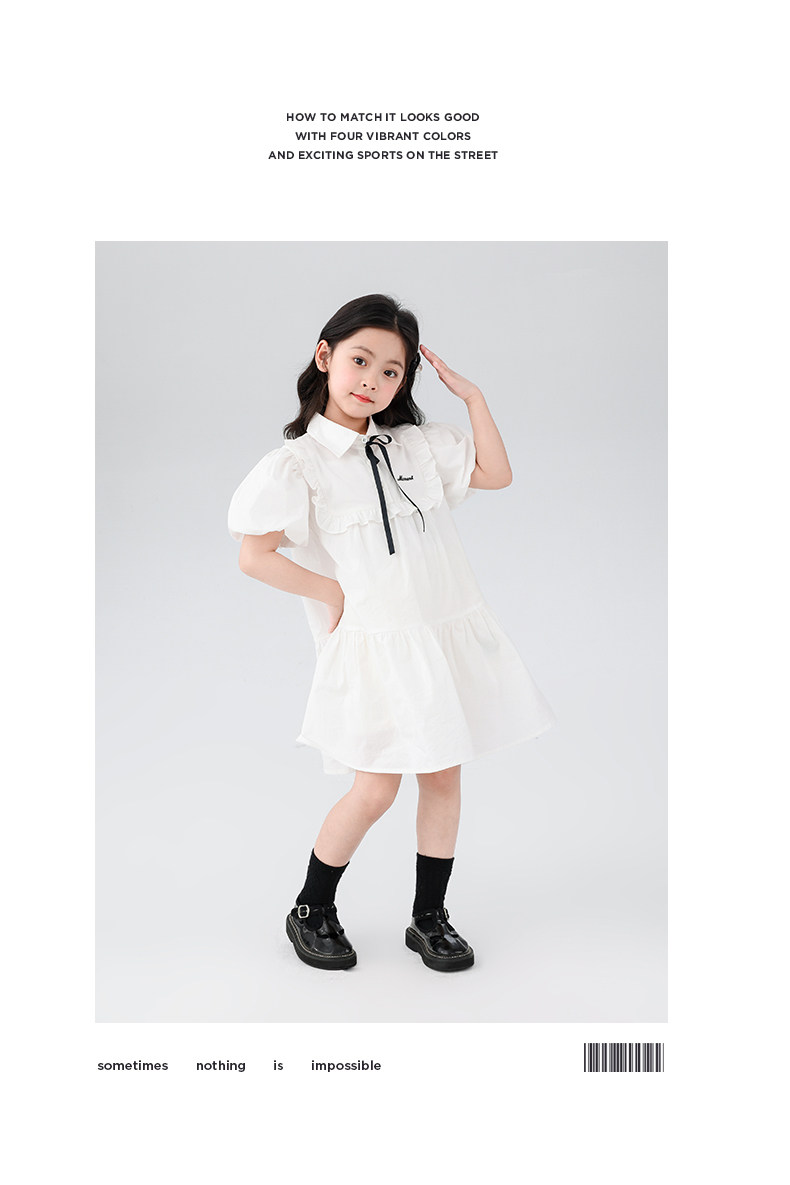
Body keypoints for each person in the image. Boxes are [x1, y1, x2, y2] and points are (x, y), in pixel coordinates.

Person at [228, 293, 556, 973]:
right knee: (375, 789)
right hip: (378, 649)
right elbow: (253, 554)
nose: (371, 380)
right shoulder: (301, 465)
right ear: (325, 356)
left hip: (437, 638)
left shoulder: (413, 446)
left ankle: (429, 917)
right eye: (360, 361)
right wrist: (330, 591)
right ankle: (311, 907)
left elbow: (497, 474)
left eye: (391, 371)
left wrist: (474, 398)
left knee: (442, 778)